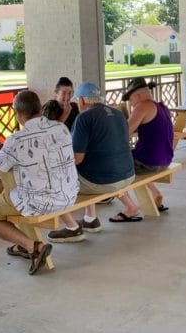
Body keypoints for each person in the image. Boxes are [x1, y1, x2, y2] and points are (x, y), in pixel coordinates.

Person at [0, 91, 78, 275]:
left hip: (38, 202)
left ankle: (33, 246)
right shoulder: (61, 128)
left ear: (17, 113)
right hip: (69, 195)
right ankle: (23, 245)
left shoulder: (17, 139)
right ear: (39, 108)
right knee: (12, 195)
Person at [47, 82, 135, 242]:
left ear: (81, 100)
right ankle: (90, 219)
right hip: (128, 176)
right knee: (87, 168)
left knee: (52, 181)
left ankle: (72, 228)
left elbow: (77, 158)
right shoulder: (118, 113)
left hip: (103, 182)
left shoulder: (84, 117)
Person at [108, 78, 174, 222]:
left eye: (130, 99)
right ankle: (156, 194)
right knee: (130, 160)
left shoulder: (142, 107)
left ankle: (130, 208)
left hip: (149, 163)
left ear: (137, 95)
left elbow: (123, 133)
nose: (131, 104)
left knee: (110, 167)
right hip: (165, 160)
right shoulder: (162, 107)